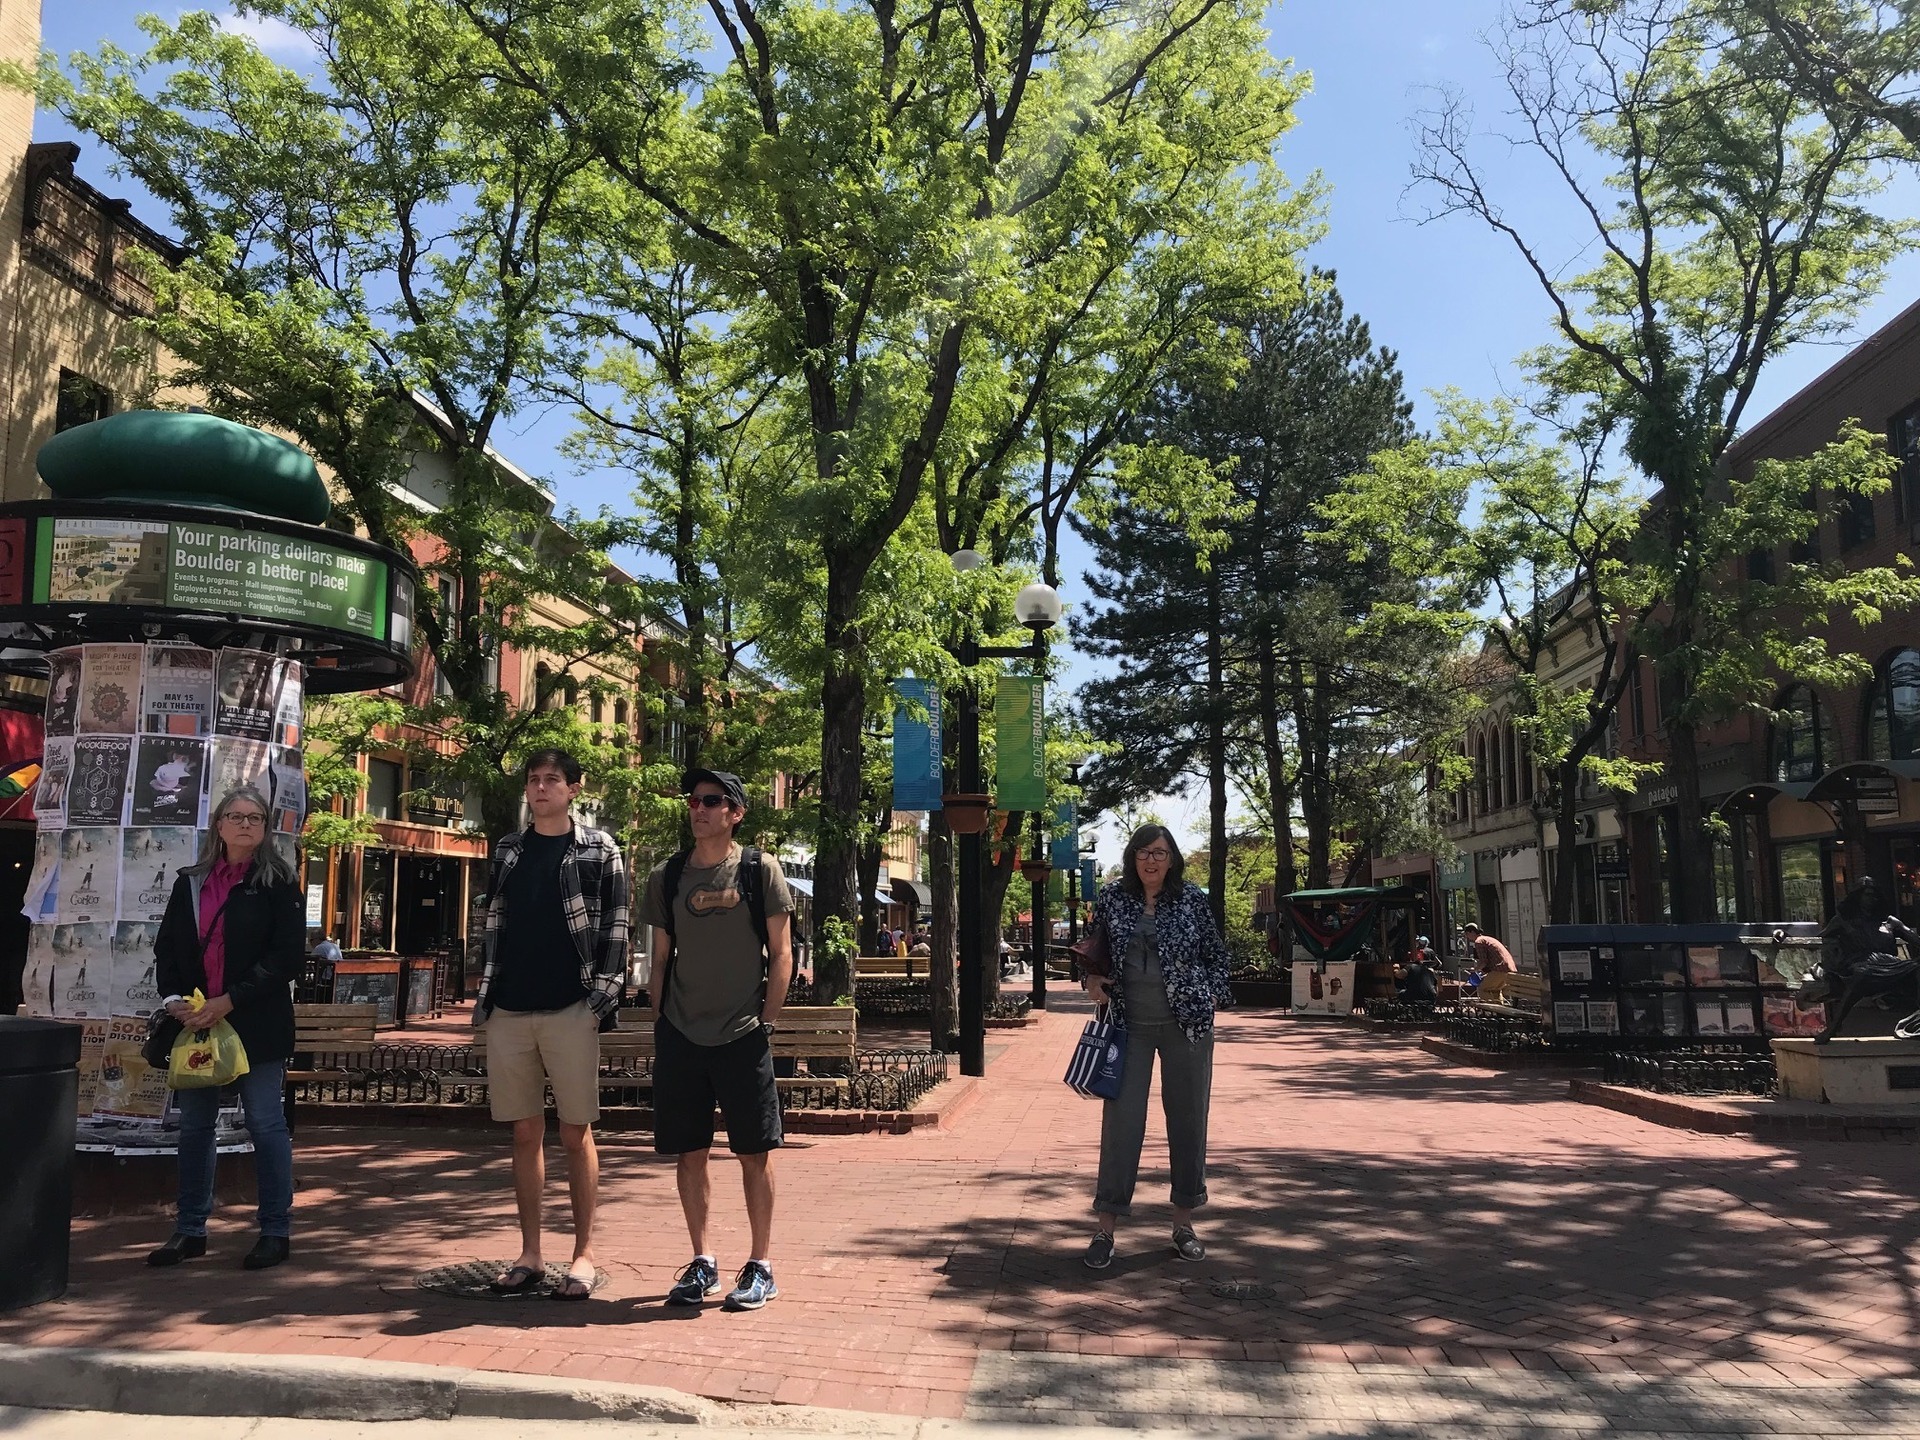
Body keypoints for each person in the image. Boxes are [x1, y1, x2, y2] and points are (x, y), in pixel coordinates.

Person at [473, 749, 629, 1302]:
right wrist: (485, 995)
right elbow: (493, 920)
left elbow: (617, 927)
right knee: (523, 1132)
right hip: (509, 1010)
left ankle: (583, 1253)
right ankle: (531, 1252)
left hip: (571, 1009)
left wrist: (599, 1000)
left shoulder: (599, 848)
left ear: (574, 789)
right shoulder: (508, 850)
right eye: (534, 780)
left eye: (552, 780)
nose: (541, 789)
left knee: (576, 1131)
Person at [640, 768, 795, 1311]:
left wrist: (765, 1021)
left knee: (754, 1152)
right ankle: (702, 1261)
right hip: (681, 1033)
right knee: (690, 1152)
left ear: (735, 813)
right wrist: (662, 1019)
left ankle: (761, 1265)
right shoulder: (667, 875)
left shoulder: (758, 869)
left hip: (743, 1034)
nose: (698, 808)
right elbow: (660, 957)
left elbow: (781, 955)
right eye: (693, 800)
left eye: (712, 801)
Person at [147, 785, 302, 1271]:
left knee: (265, 1123)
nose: (244, 825)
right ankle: (190, 1229)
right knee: (195, 1126)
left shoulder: (278, 882)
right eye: (235, 816)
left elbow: (286, 958)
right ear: (218, 825)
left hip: (256, 1023)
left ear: (265, 829)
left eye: (255, 818)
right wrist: (175, 1001)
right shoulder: (191, 882)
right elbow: (167, 948)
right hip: (197, 1024)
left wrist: (230, 1000)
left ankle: (275, 1230)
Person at [1081, 825, 1233, 1271]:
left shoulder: (1191, 899)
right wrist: (1091, 979)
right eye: (1144, 852)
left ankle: (1184, 1224)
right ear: (1132, 857)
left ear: (1172, 860)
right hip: (1129, 1027)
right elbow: (1091, 952)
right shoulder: (1112, 898)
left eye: (1161, 853)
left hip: (1186, 1028)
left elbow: (1216, 957)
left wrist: (1209, 995)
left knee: (1188, 1121)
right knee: (1122, 1126)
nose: (1152, 861)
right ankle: (1106, 1228)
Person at [1461, 923, 1518, 1004]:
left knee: (1482, 989)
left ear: (1473, 932)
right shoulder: (1488, 939)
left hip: (1499, 969)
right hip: (1510, 968)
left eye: (1467, 934)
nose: (1467, 936)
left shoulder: (1479, 942)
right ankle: (1500, 1012)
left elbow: (1483, 962)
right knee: (1494, 990)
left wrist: (1475, 969)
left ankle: (1490, 1011)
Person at [1396, 936, 1440, 1006]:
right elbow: (1437, 989)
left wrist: (1396, 969)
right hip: (1431, 998)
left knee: (1400, 992)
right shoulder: (1430, 971)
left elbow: (1399, 975)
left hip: (1415, 996)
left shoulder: (1410, 967)